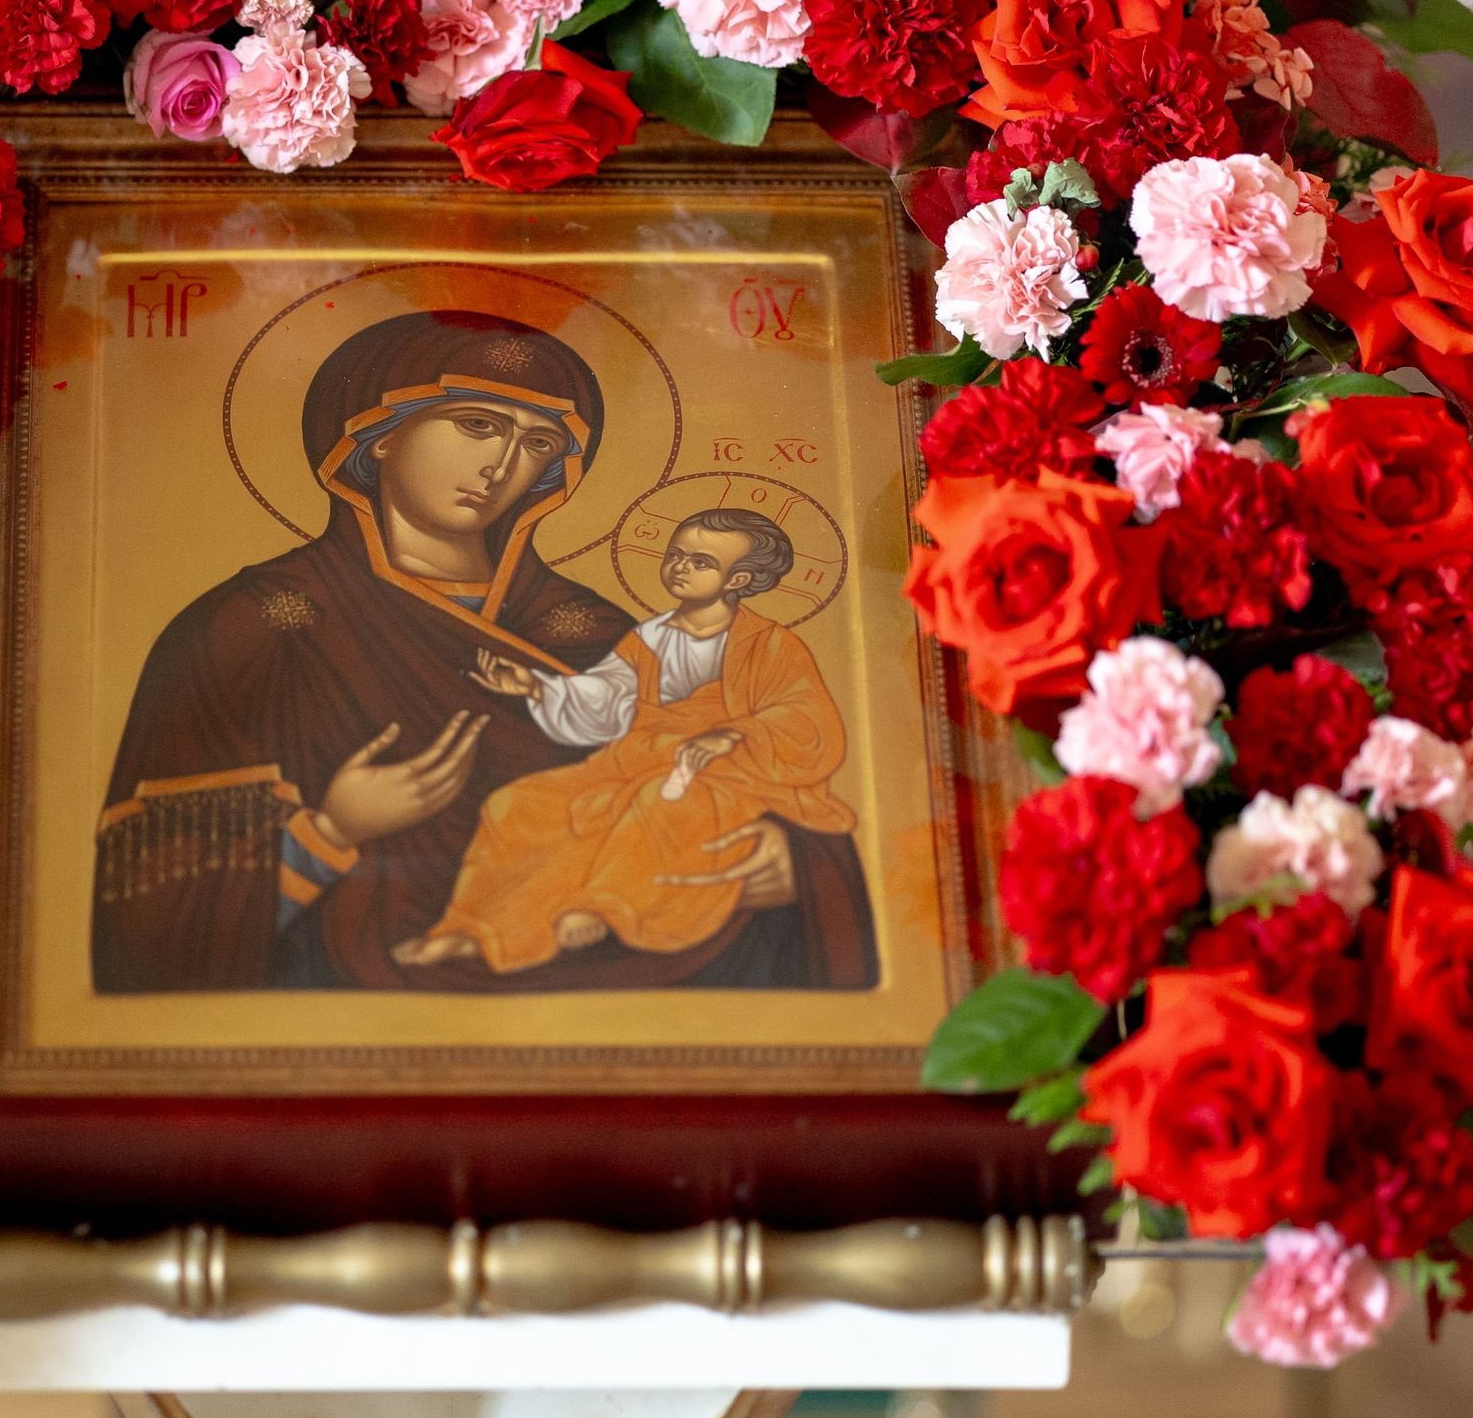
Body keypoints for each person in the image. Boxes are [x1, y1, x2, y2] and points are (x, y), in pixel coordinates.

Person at [89, 306, 881, 994]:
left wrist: (789, 863)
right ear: (378, 435)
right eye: (477, 424)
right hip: (347, 1015)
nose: (502, 465)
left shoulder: (593, 627)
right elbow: (143, 923)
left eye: (538, 443)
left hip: (633, 991)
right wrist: (328, 831)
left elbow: (750, 761)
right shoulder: (254, 627)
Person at [393, 510, 858, 973]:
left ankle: (602, 908)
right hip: (632, 761)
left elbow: (806, 717)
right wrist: (535, 686)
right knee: (517, 804)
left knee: (659, 802)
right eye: (675, 555)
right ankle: (473, 928)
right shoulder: (649, 638)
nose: (680, 567)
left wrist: (736, 734)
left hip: (729, 775)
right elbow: (605, 698)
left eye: (700, 562)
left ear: (737, 579)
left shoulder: (767, 644)